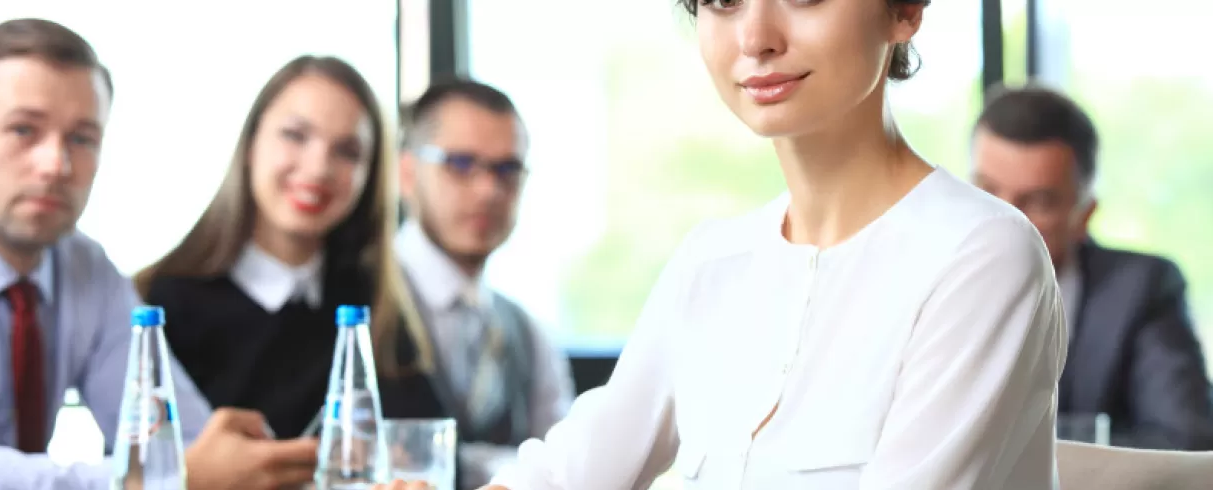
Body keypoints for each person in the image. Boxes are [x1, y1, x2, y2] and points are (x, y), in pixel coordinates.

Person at [392, 0, 1067, 488]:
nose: (755, 37)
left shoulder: (981, 253)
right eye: (721, 0)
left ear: (905, 11)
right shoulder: (712, 260)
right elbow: (576, 469)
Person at [0, 18, 317, 489]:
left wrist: (251, 463)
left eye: (82, 138)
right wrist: (154, 480)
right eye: (23, 130)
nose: (56, 164)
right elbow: (177, 473)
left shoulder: (86, 270)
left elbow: (179, 442)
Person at [133, 55, 446, 442]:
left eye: (347, 151)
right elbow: (142, 461)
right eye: (295, 136)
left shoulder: (372, 305)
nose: (318, 168)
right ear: (251, 145)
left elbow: (427, 449)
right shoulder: (158, 305)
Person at [971, 85, 1213, 450]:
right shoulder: (920, 282)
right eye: (985, 191)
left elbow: (1187, 439)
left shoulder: (1143, 288)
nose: (1003, 220)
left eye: (1038, 202)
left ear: (1084, 214)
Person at [396, 79, 574, 488]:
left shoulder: (529, 333)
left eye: (507, 170)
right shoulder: (351, 300)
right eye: (460, 164)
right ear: (407, 173)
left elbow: (569, 471)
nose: (488, 190)